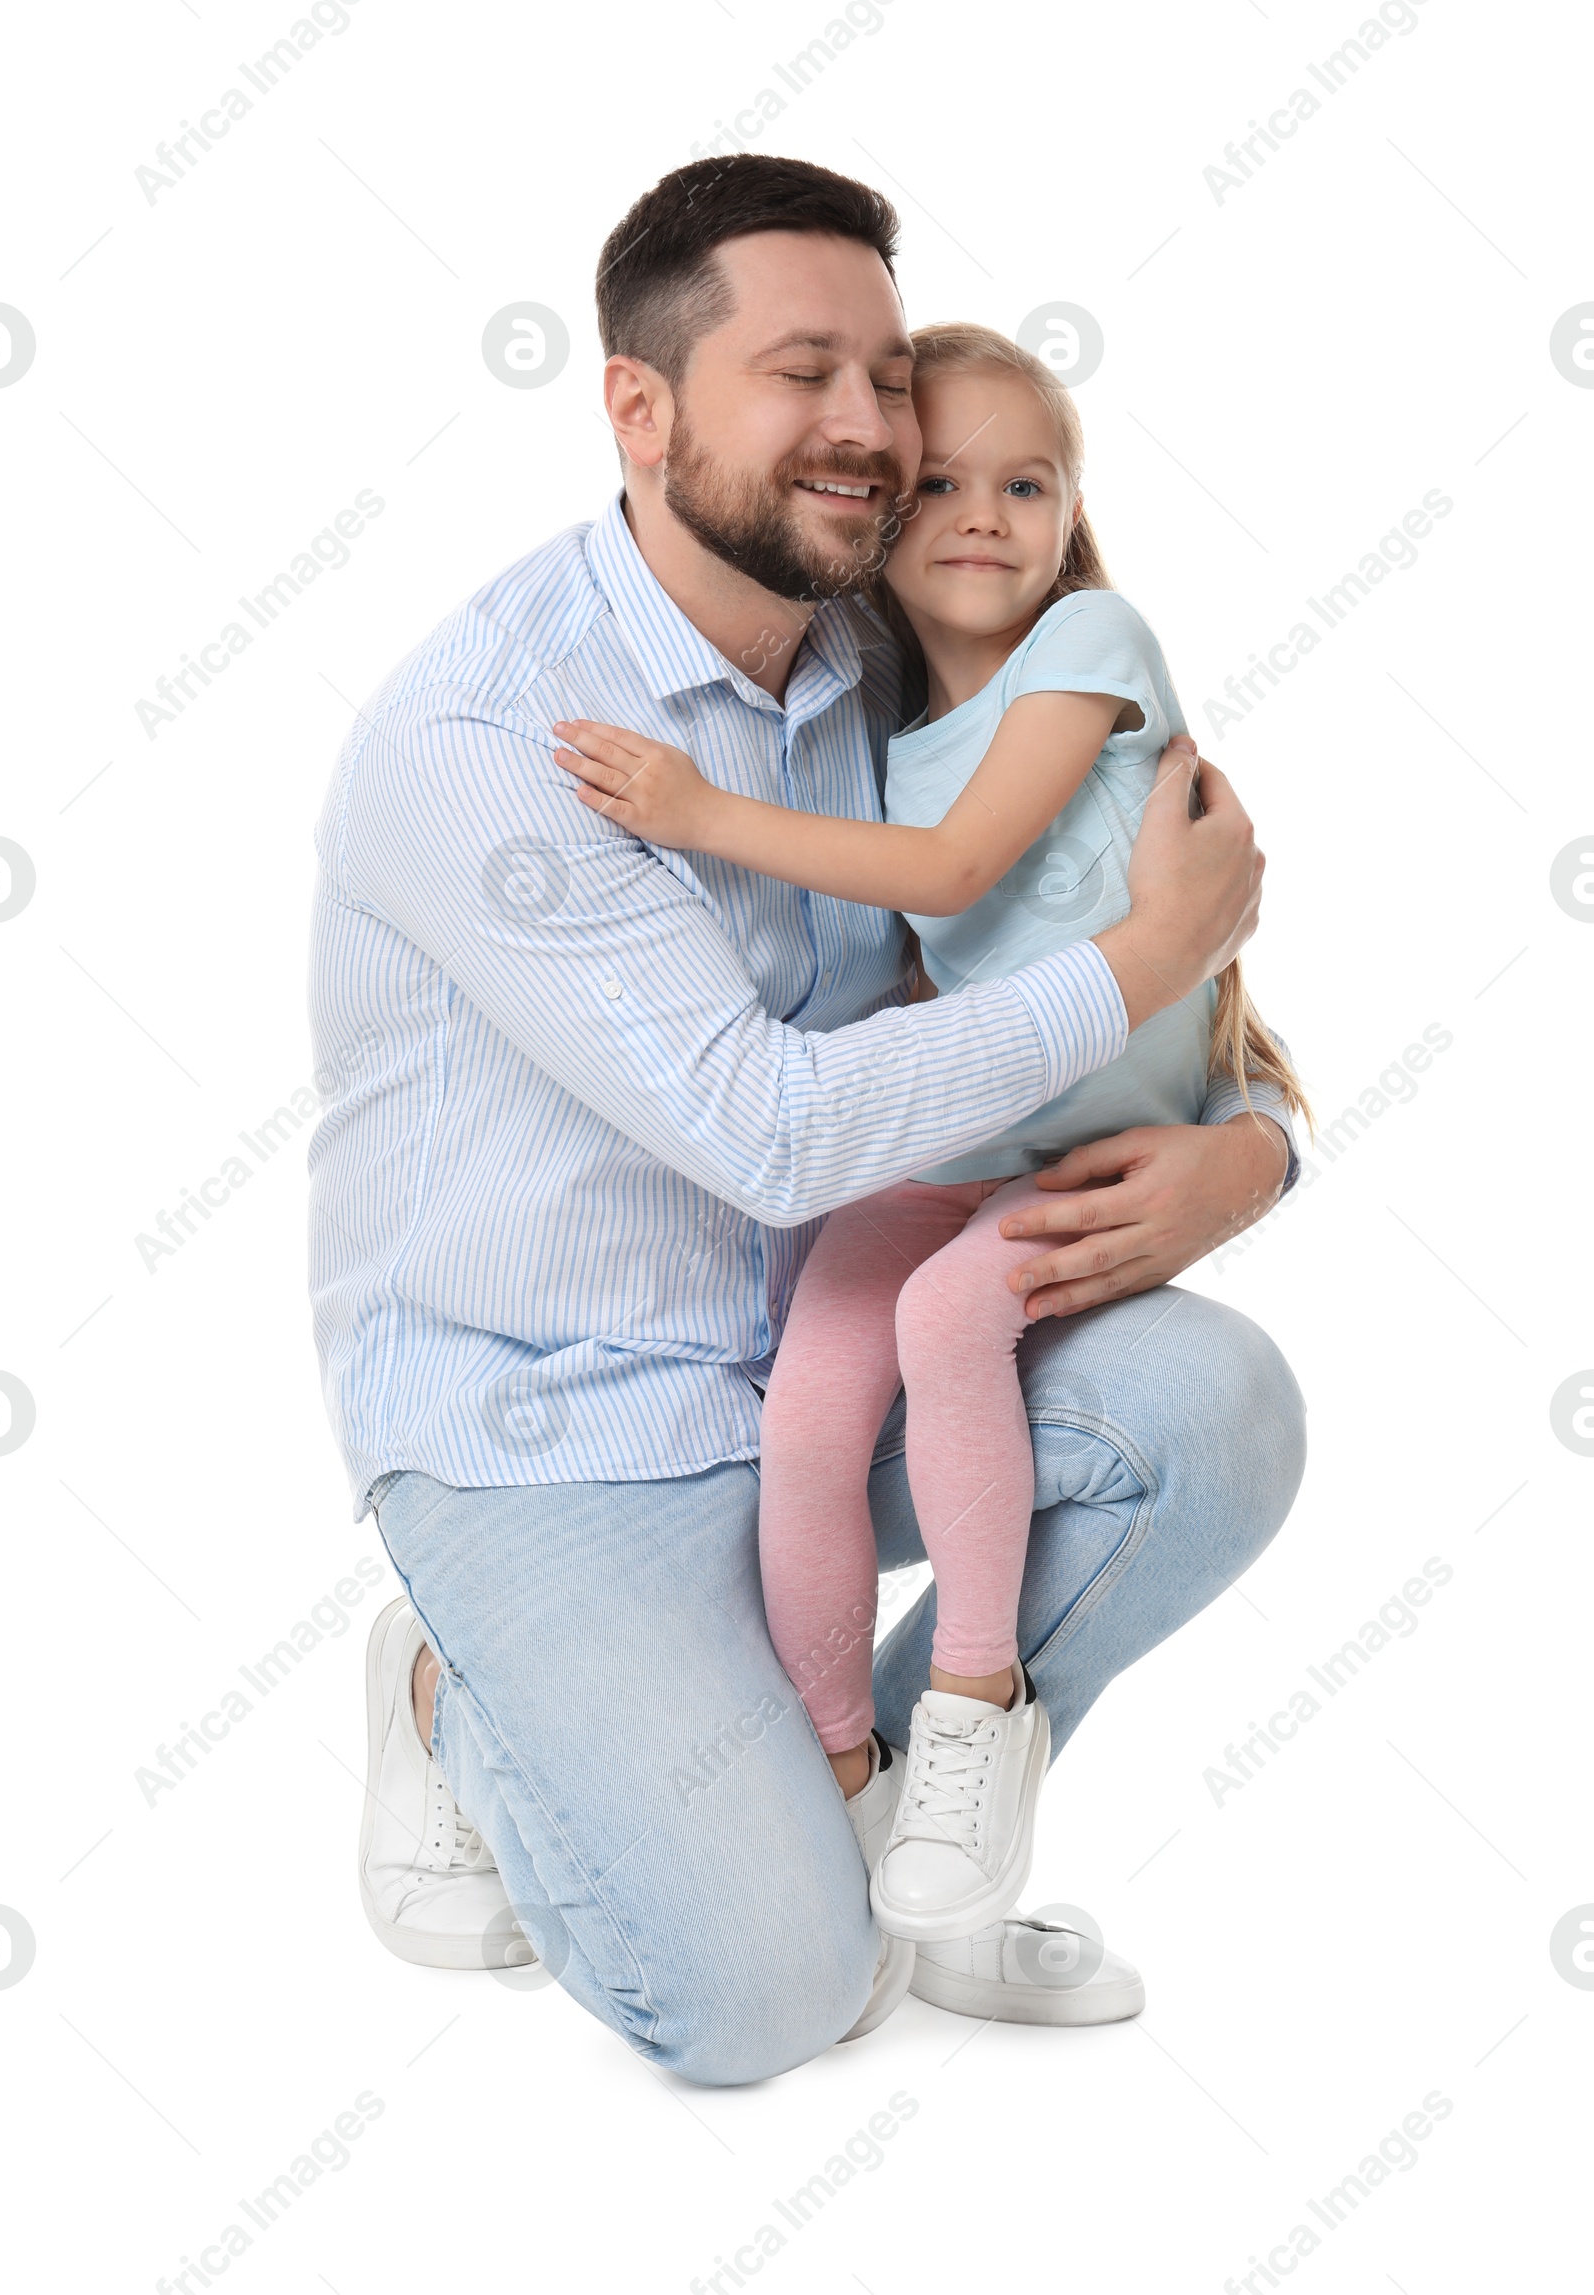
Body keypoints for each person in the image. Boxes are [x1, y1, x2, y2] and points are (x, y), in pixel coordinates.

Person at [309, 153, 1306, 2087]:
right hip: (552, 1434)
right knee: (762, 2003)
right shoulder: (489, 741)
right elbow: (763, 1131)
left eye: (884, 376)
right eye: (798, 373)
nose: (868, 427)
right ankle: (457, 1690)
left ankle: (908, 1833)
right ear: (639, 404)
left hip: (811, 1377)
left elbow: (1145, 933)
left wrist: (1249, 1143)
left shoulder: (900, 656)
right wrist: (1115, 976)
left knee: (1218, 1414)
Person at [550, 318, 1311, 1949]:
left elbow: (968, 875)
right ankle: (833, 1777)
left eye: (1025, 483)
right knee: (816, 1403)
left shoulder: (1092, 645)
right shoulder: (885, 749)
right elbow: (927, 961)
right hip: (959, 1139)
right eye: (942, 485)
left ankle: (972, 1704)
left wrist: (699, 812)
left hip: (1071, 1167)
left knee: (952, 1316)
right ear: (879, 535)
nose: (985, 514)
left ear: (1070, 510)